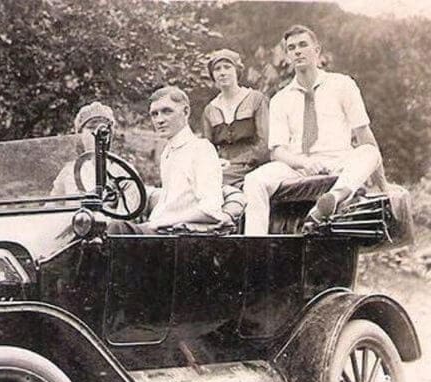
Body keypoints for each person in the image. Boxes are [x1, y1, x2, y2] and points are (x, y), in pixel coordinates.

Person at [242, 24, 387, 235]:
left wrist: (383, 185)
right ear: (288, 55)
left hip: (338, 161)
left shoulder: (342, 84)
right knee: (253, 180)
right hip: (297, 165)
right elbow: (277, 151)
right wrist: (304, 163)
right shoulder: (281, 99)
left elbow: (363, 134)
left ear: (316, 50)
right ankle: (255, 249)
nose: (297, 51)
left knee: (369, 151)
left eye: (303, 45)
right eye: (291, 48)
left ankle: (331, 200)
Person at [108, 86, 228, 235]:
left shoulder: (201, 149)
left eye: (167, 111)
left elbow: (210, 209)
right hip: (163, 233)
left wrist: (161, 222)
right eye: (154, 114)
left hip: (181, 236)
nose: (159, 120)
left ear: (185, 112)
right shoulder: (167, 153)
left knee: (116, 229)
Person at [202, 49, 269, 188]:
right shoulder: (210, 110)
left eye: (227, 67)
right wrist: (216, 163)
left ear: (237, 71)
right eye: (217, 69)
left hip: (252, 164)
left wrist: (234, 163)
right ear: (213, 75)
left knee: (210, 183)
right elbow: (207, 149)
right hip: (221, 167)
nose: (222, 72)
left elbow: (265, 144)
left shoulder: (256, 99)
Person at [51, 101, 115, 195]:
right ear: (80, 135)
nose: (97, 134)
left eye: (104, 130)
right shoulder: (69, 173)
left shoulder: (122, 173)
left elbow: (132, 206)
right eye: (91, 128)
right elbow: (53, 206)